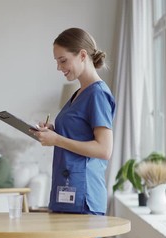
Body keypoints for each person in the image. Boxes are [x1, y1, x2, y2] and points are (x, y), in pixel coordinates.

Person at [31, 28, 115, 217]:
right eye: (57, 62)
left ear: (82, 55)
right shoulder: (79, 94)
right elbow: (78, 132)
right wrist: (53, 131)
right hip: (67, 192)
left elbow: (104, 150)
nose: (59, 68)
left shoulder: (97, 94)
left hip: (84, 197)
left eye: (63, 60)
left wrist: (57, 140)